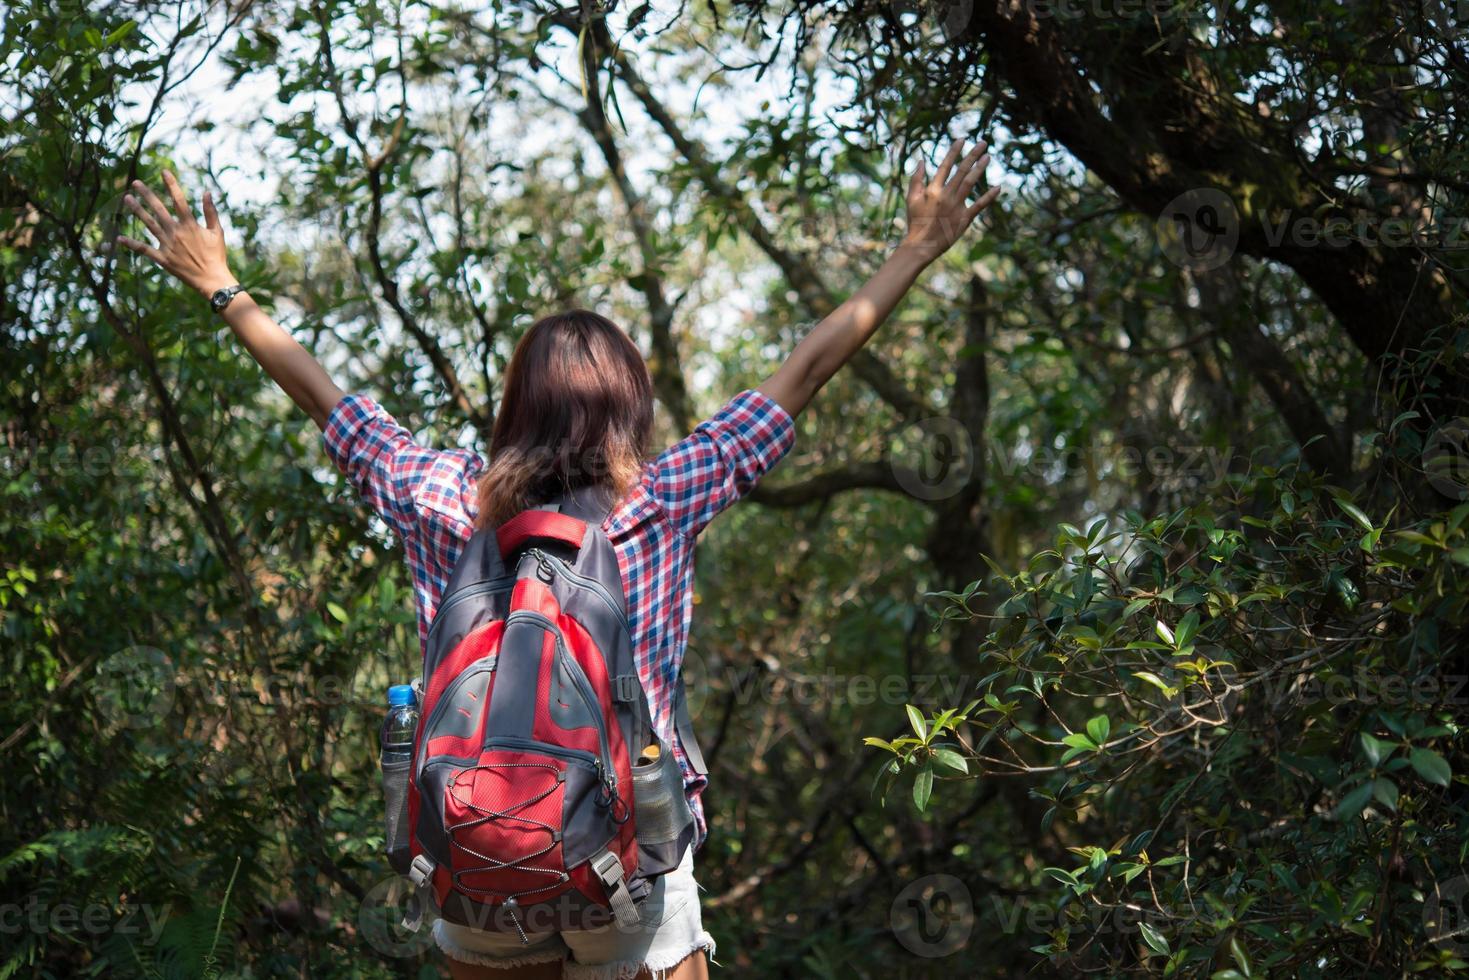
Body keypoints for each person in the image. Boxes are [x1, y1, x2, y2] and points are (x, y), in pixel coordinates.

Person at [115, 137, 1001, 979]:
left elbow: (324, 398)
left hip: (476, 853)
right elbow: (806, 369)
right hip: (633, 863)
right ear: (629, 407)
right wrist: (916, 247)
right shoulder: (662, 498)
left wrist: (223, 285)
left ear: (516, 403)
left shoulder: (437, 498)